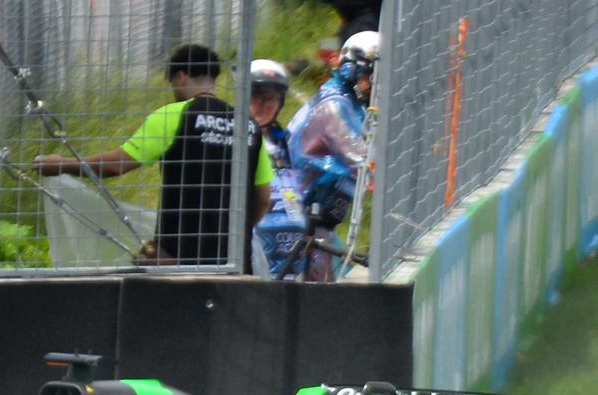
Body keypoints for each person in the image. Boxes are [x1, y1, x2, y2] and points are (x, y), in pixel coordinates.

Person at [33, 43, 272, 269]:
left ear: (180, 77)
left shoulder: (174, 115)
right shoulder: (248, 126)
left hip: (178, 263)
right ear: (213, 80)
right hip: (235, 264)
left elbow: (117, 165)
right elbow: (262, 199)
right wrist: (230, 236)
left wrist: (62, 164)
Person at [286, 29, 377, 281]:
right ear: (352, 69)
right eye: (371, 75)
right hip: (303, 217)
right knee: (320, 293)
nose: (375, 85)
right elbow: (361, 157)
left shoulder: (349, 101)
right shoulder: (334, 105)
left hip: (320, 218)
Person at [246, 59, 306, 277]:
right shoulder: (238, 138)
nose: (264, 104)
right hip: (255, 251)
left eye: (271, 98)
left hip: (292, 254)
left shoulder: (285, 142)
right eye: (257, 96)